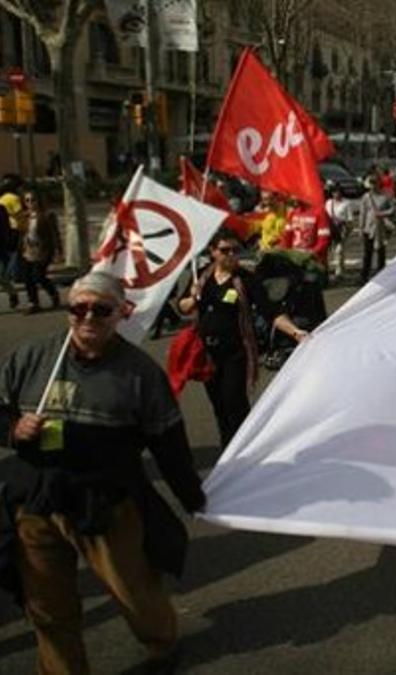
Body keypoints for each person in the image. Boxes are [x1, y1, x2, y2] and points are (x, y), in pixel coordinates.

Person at [0, 272, 206, 673]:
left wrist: (193, 496)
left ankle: (162, 646)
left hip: (106, 502)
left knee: (133, 591)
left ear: (120, 314)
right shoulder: (33, 357)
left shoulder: (140, 373)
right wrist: (13, 429)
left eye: (101, 309)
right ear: (68, 312)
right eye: (79, 308)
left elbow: (168, 441)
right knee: (47, 604)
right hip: (36, 500)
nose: (88, 318)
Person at [178, 229, 308, 448]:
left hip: (235, 353)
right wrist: (192, 297)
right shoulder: (201, 275)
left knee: (234, 406)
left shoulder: (246, 279)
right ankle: (226, 452)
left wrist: (296, 332)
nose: (230, 255)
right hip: (207, 354)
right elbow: (182, 307)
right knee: (218, 407)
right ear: (212, 252)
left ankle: (242, 452)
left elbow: (271, 311)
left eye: (235, 250)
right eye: (224, 250)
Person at [16, 191, 61, 314]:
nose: (31, 203)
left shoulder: (47, 215)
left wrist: (58, 251)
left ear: (39, 201)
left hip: (43, 250)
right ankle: (33, 303)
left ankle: (53, 293)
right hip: (27, 250)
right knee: (27, 278)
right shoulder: (24, 216)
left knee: (38, 276)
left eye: (33, 200)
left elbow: (54, 234)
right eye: (27, 200)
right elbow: (21, 233)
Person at [358, 178, 396, 284]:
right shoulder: (366, 197)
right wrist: (361, 228)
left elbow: (393, 209)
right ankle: (364, 276)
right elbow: (363, 213)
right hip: (368, 227)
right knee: (367, 253)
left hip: (381, 227)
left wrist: (382, 214)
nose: (373, 186)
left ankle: (381, 274)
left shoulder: (386, 195)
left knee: (381, 251)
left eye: (375, 183)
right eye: (371, 183)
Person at [0, 201, 16, 309]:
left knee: (0, 276)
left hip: (0, 247)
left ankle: (12, 293)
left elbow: (5, 228)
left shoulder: (1, 209)